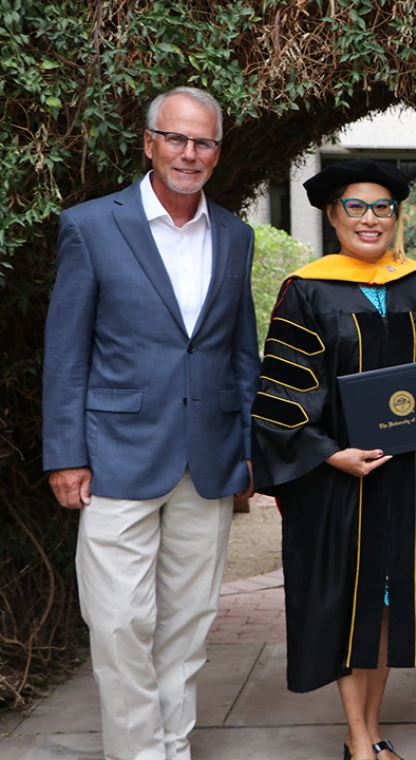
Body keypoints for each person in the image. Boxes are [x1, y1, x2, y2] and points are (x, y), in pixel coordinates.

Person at [41, 86, 259, 760]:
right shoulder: (91, 226)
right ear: (148, 142)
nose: (188, 153)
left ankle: (174, 745)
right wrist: (64, 452)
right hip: (114, 456)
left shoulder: (235, 234)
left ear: (217, 154)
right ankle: (139, 753)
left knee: (189, 625)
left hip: (209, 455)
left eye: (203, 142)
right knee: (116, 623)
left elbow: (239, 352)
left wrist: (250, 447)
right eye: (176, 138)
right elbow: (67, 349)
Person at [250, 160, 416, 760]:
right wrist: (331, 453)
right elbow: (281, 393)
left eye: (382, 207)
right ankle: (360, 739)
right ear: (332, 215)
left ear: (396, 217)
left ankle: (368, 726)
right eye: (355, 207)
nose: (370, 219)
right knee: (346, 597)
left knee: (388, 602)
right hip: (338, 477)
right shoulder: (307, 290)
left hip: (407, 472)